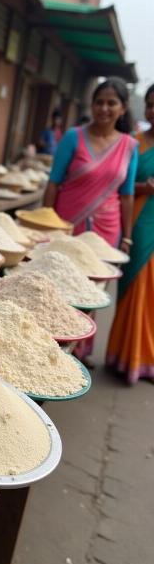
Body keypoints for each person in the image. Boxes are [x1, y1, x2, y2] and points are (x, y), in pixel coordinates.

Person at [43, 78, 138, 365]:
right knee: (57, 289)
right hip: (67, 226)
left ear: (122, 109)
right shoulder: (73, 137)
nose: (104, 108)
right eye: (99, 101)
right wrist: (45, 225)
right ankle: (49, 347)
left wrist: (127, 236)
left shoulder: (129, 145)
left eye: (112, 103)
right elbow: (53, 183)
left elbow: (127, 195)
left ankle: (79, 352)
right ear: (92, 105)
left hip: (105, 233)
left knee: (92, 293)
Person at [107, 85, 154, 383]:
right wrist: (145, 189)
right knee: (134, 291)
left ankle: (146, 360)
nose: (153, 111)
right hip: (137, 224)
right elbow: (119, 186)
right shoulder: (133, 144)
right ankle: (124, 357)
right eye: (150, 105)